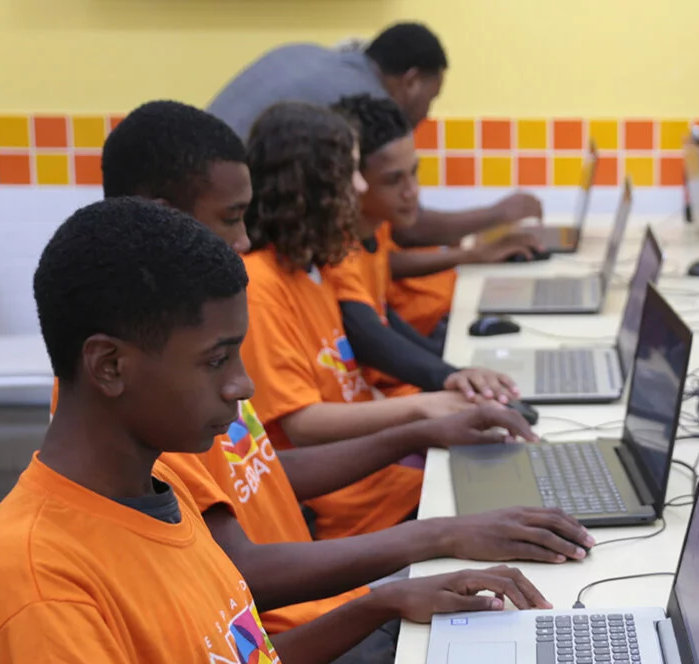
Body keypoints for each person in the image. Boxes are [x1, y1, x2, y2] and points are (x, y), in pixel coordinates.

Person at [0, 197, 665, 664]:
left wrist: (375, 604)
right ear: (109, 364)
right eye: (216, 359)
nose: (242, 386)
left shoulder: (152, 498)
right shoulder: (43, 577)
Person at [100, 99, 596, 664]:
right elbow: (247, 568)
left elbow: (263, 476)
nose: (243, 243)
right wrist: (420, 544)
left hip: (306, 627)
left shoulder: (192, 353)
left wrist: (417, 435)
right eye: (229, 220)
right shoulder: (153, 385)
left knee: (532, 620)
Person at [238, 101, 478, 540]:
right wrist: (424, 407)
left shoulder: (314, 269)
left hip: (382, 480)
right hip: (353, 511)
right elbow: (301, 423)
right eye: (351, 171)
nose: (362, 185)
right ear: (312, 187)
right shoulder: (262, 286)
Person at [207, 21, 544, 252]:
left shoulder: (307, 53)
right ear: (411, 80)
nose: (427, 114)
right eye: (431, 98)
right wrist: (501, 213)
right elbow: (408, 226)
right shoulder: (365, 105)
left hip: (196, 192)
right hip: (229, 224)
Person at [326, 94, 522, 400]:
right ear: (353, 180)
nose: (412, 191)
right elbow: (369, 333)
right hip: (383, 396)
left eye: (414, 173)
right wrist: (450, 375)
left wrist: (453, 367)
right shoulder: (336, 252)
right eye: (393, 181)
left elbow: (382, 313)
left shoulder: (373, 232)